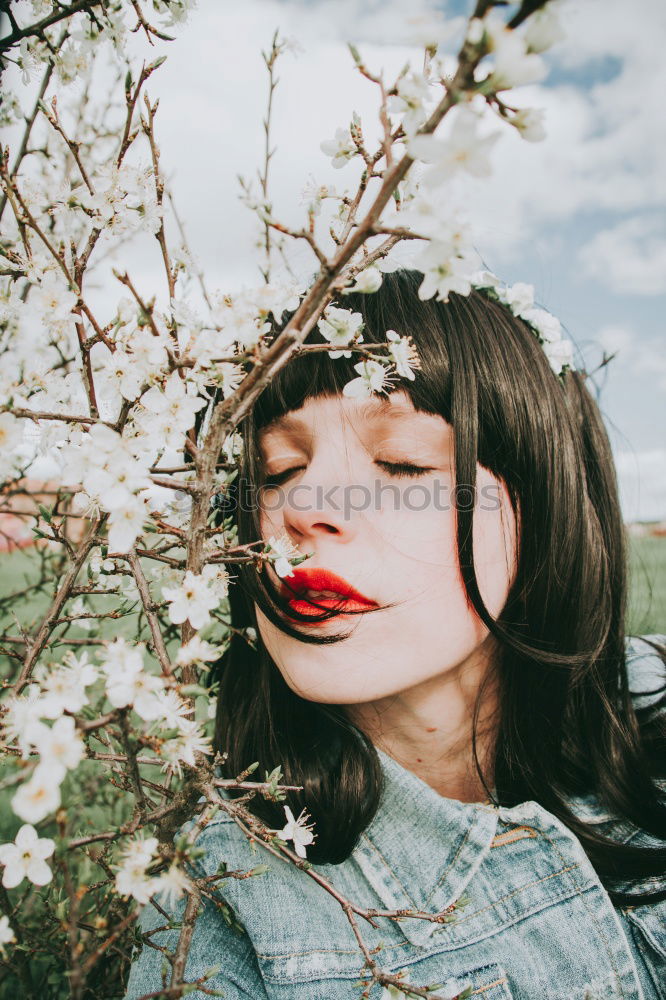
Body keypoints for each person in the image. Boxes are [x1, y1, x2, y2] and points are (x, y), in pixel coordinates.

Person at [124, 269, 666, 1000]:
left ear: (549, 500)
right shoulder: (221, 905)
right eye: (276, 469)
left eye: (402, 463)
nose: (307, 506)